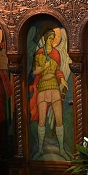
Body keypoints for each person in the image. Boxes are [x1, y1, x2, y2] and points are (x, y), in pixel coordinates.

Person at [29, 28, 69, 160]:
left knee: (59, 118)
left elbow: (57, 69)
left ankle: (61, 149)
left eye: (54, 38)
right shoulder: (40, 52)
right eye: (50, 38)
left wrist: (62, 78)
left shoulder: (56, 53)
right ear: (45, 39)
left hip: (53, 85)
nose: (52, 41)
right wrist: (44, 67)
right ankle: (40, 149)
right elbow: (34, 71)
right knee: (41, 120)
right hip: (43, 86)